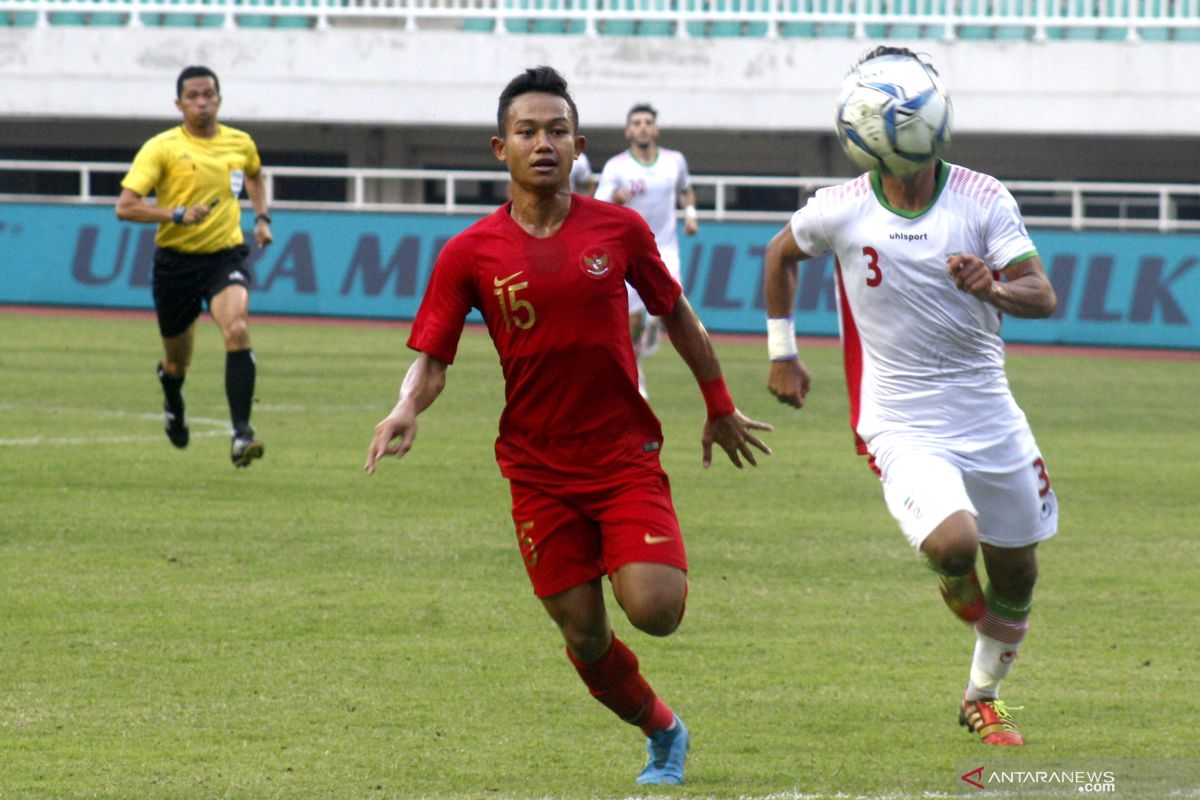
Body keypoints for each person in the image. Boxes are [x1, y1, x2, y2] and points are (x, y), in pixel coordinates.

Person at [365, 66, 772, 785]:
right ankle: (662, 731)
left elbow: (676, 314)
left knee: (655, 609)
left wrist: (718, 402)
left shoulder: (618, 228)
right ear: (501, 148)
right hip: (537, 470)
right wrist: (405, 406)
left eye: (557, 130)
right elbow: (432, 358)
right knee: (585, 635)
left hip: (621, 456)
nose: (543, 142)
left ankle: (637, 553)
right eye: (527, 131)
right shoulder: (469, 253)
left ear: (579, 145)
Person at [762, 46, 1059, 748]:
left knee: (1018, 572)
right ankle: (952, 576)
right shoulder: (839, 210)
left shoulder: (984, 197)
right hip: (900, 417)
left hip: (987, 410)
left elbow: (1042, 296)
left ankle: (982, 697)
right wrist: (782, 352)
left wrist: (991, 285)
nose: (923, 158)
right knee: (957, 546)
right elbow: (779, 254)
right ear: (878, 147)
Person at [116, 65, 273, 468]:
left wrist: (262, 218)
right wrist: (176, 213)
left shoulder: (240, 142)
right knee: (177, 362)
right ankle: (172, 394)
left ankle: (242, 434)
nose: (202, 102)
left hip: (225, 255)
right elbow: (126, 205)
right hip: (175, 265)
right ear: (179, 103)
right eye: (193, 96)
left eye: (208, 95)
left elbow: (255, 174)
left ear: (219, 98)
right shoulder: (162, 148)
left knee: (237, 329)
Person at [595, 103, 699, 398]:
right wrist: (617, 197)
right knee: (633, 324)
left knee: (673, 300)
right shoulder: (617, 167)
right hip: (630, 253)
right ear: (629, 130)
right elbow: (600, 207)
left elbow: (685, 188)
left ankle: (657, 323)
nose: (642, 127)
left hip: (664, 247)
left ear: (656, 129)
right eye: (637, 122)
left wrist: (690, 213)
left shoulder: (674, 161)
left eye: (647, 122)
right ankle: (636, 373)